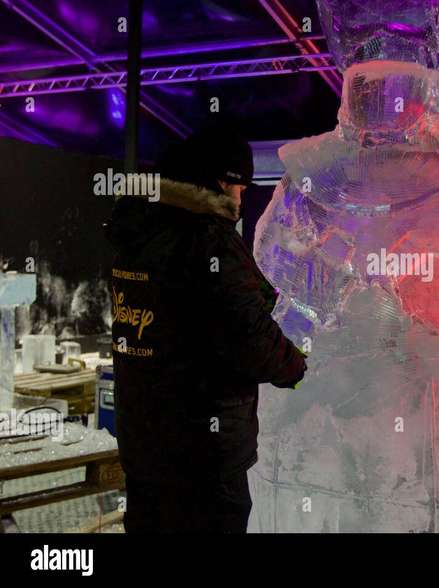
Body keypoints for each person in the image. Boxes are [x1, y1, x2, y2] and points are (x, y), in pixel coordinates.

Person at [106, 126, 307, 533]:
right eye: (239, 186)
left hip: (144, 445)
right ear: (219, 181)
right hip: (202, 455)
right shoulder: (206, 241)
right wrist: (297, 368)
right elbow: (247, 334)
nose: (240, 199)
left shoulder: (134, 229)